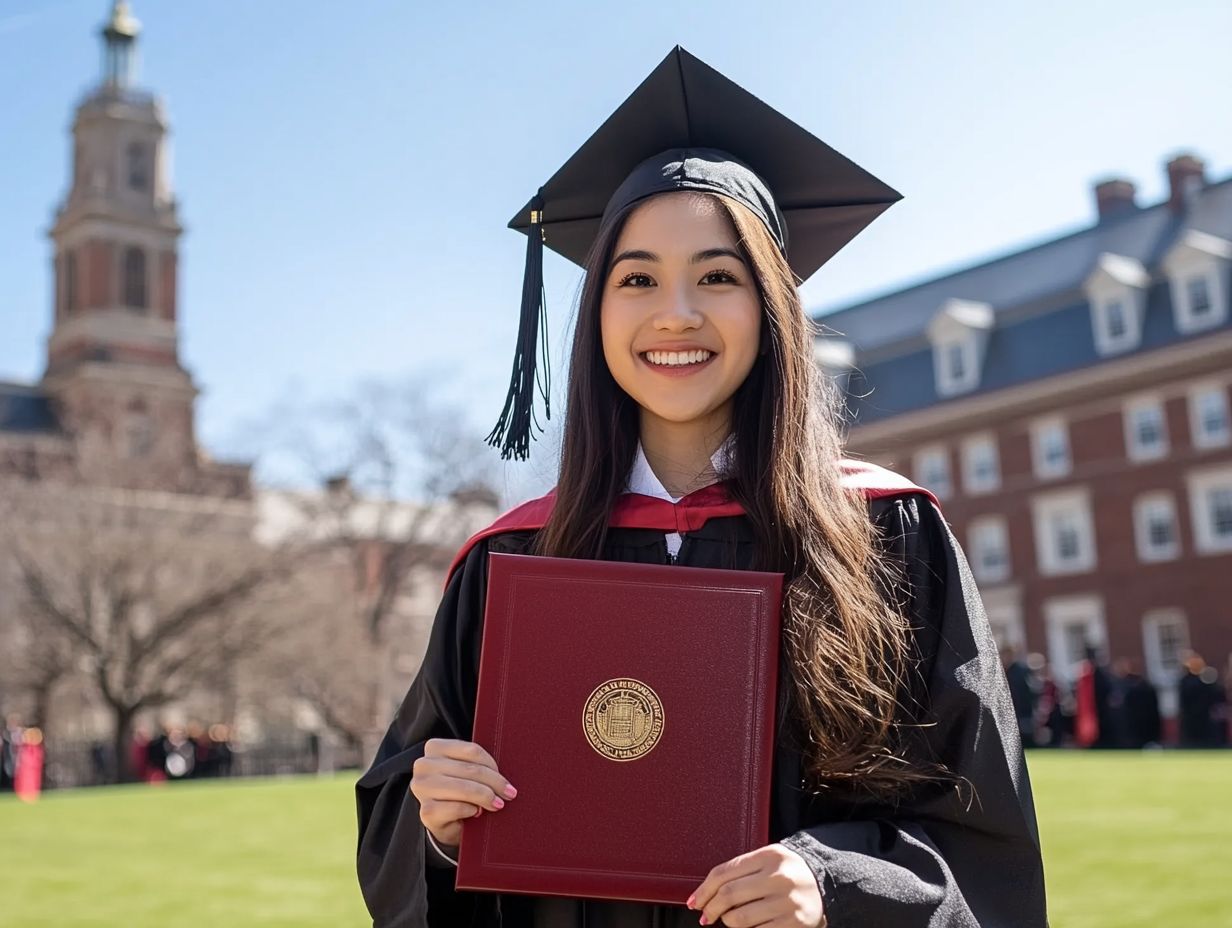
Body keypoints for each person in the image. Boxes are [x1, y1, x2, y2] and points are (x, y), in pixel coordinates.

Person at [356, 47, 1047, 927]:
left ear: (772, 307)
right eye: (636, 277)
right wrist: (444, 833)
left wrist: (837, 885)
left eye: (718, 276)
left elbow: (982, 838)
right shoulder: (509, 564)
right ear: (596, 312)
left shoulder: (886, 537)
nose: (675, 311)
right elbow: (395, 821)